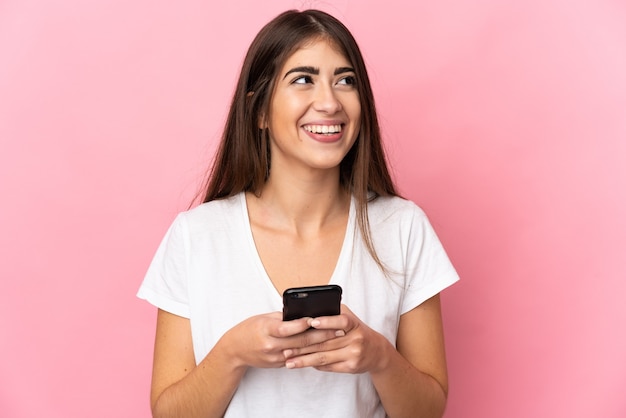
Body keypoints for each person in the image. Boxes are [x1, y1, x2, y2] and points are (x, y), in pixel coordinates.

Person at [137, 9, 459, 418]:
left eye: (345, 81)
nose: (329, 102)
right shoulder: (195, 236)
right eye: (303, 79)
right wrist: (232, 354)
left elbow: (429, 410)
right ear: (258, 111)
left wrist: (379, 356)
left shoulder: (403, 227)